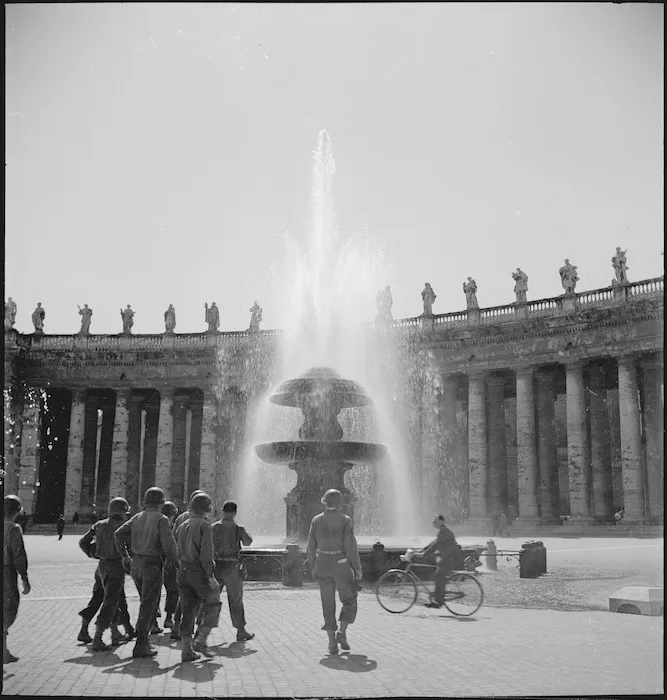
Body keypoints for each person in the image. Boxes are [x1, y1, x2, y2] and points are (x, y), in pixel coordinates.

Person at [114, 487, 179, 658]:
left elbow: (118, 534)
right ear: (161, 502)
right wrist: (174, 562)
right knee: (148, 606)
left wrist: (124, 556)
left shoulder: (137, 517)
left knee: (146, 602)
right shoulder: (162, 519)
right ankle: (141, 644)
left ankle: (143, 641)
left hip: (136, 565)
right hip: (152, 566)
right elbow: (169, 544)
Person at [307, 488, 363, 655]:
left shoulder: (316, 520)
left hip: (322, 565)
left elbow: (310, 548)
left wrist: (313, 567)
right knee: (350, 599)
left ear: (324, 501)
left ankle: (332, 643)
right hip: (341, 564)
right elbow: (351, 547)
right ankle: (342, 633)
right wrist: (357, 568)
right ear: (340, 503)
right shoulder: (345, 520)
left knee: (327, 603)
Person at [78, 498, 133, 651]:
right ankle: (98, 637)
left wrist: (93, 554)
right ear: (123, 513)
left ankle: (117, 632)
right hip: (116, 566)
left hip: (101, 566)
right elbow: (130, 548)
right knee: (111, 601)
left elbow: (83, 542)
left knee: (111, 598)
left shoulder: (99, 524)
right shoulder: (124, 527)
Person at [174, 492, 222, 662]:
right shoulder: (204, 525)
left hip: (182, 571)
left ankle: (186, 650)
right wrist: (210, 576)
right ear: (207, 508)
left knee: (187, 611)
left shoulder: (182, 525)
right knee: (213, 603)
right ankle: (201, 639)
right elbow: (206, 554)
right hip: (198, 571)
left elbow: (175, 549)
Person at [211, 500, 255, 643]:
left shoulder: (213, 527)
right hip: (232, 567)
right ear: (235, 513)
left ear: (222, 511)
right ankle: (240, 631)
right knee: (235, 600)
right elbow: (248, 542)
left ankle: (201, 631)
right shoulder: (238, 528)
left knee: (211, 599)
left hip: (217, 566)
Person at [170, 489, 208, 641]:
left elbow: (173, 539)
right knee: (207, 601)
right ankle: (199, 636)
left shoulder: (181, 520)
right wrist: (210, 573)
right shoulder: (204, 523)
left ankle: (177, 628)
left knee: (184, 601)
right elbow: (207, 551)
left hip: (182, 566)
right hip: (197, 568)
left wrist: (175, 560)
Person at [3, 495, 31, 663]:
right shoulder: (13, 528)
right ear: (17, 511)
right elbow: (18, 555)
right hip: (7, 573)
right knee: (8, 608)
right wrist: (25, 578)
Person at [422, 515, 461, 609]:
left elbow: (436, 544)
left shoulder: (445, 531)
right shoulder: (443, 531)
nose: (433, 523)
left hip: (450, 558)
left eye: (435, 521)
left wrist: (425, 554)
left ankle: (438, 601)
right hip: (447, 557)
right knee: (438, 575)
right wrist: (423, 550)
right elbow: (434, 543)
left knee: (439, 576)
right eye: (433, 521)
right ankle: (438, 599)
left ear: (441, 522)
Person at [159, 501, 180, 630]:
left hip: (154, 562)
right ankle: (168, 618)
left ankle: (153, 623)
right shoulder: (171, 527)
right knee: (173, 591)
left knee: (152, 593)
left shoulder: (154, 524)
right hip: (168, 563)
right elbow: (172, 547)